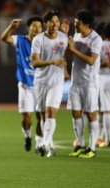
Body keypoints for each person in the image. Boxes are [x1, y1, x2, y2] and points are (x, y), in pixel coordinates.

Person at [0, 16, 44, 152]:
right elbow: (4, 39)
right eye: (34, 26)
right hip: (25, 85)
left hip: (41, 85)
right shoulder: (21, 40)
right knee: (27, 117)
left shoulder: (44, 43)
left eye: (39, 26)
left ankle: (39, 143)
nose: (36, 28)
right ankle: (27, 136)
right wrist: (11, 27)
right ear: (28, 27)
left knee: (41, 116)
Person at [30, 10, 68, 157]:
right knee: (41, 116)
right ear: (46, 23)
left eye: (57, 21)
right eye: (52, 21)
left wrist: (65, 71)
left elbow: (66, 54)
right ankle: (48, 141)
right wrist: (52, 62)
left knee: (51, 112)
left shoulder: (64, 38)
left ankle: (45, 145)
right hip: (41, 81)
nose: (55, 24)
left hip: (56, 82)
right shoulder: (38, 40)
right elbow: (34, 62)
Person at [67, 9, 103, 158]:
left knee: (90, 114)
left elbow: (91, 60)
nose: (75, 26)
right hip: (76, 82)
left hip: (90, 83)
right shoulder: (76, 35)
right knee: (76, 113)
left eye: (78, 24)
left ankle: (92, 148)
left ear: (87, 25)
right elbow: (71, 51)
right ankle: (80, 145)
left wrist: (73, 50)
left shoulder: (96, 39)